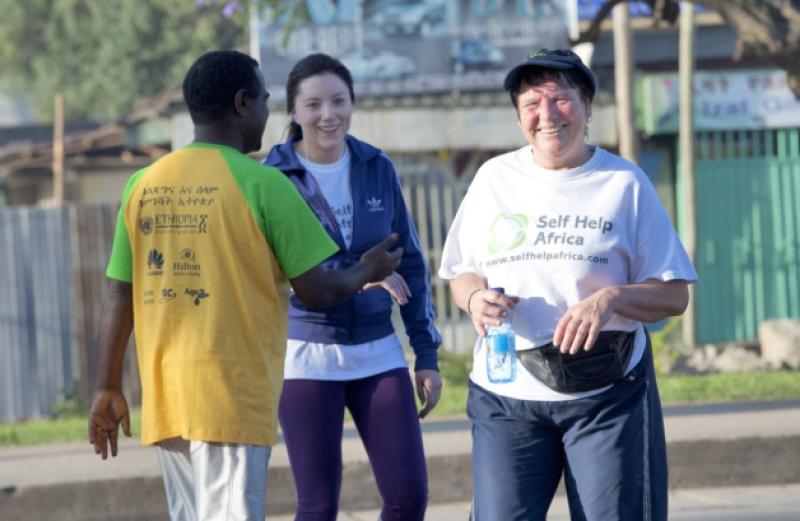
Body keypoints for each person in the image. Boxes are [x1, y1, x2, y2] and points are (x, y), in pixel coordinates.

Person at [87, 50, 402, 521]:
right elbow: (317, 290)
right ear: (241, 104)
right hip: (229, 397)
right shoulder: (265, 185)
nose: (267, 113)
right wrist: (368, 269)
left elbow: (118, 294)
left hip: (165, 398)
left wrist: (107, 385)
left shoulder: (142, 184)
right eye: (264, 100)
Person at [438, 48, 698, 521]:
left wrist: (611, 298)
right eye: (531, 104)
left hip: (607, 396)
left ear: (587, 105)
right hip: (506, 395)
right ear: (519, 117)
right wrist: (476, 298)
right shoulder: (494, 179)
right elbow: (462, 272)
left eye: (560, 99)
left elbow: (675, 293)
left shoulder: (624, 183)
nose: (546, 115)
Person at [261, 52, 442, 521]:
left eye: (339, 101)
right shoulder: (271, 178)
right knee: (318, 507)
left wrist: (426, 354)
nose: (328, 115)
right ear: (294, 112)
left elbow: (413, 265)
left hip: (378, 353)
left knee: (409, 498)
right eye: (314, 104)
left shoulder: (376, 166)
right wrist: (361, 275)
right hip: (305, 356)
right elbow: (271, 274)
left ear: (352, 104)